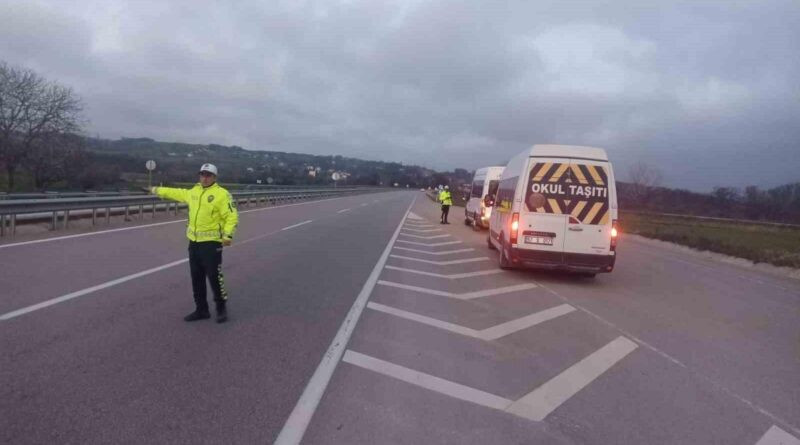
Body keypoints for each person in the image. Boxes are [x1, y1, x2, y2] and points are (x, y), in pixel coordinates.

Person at [148, 163, 239, 323]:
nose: (204, 178)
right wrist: (156, 190)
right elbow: (176, 192)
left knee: (214, 276)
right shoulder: (193, 192)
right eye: (202, 174)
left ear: (214, 177)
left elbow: (232, 217)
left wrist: (228, 235)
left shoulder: (222, 194)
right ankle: (201, 309)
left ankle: (221, 307)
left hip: (212, 243)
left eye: (208, 175)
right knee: (196, 277)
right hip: (194, 242)